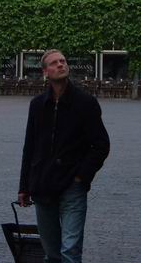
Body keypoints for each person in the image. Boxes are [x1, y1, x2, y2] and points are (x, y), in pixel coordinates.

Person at [18, 49, 110, 263]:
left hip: (72, 186)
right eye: (54, 63)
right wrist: (24, 186)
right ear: (45, 72)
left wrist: (81, 177)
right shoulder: (37, 105)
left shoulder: (85, 103)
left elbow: (101, 145)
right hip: (43, 184)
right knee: (51, 253)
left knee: (70, 251)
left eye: (63, 61)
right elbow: (29, 147)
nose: (60, 64)